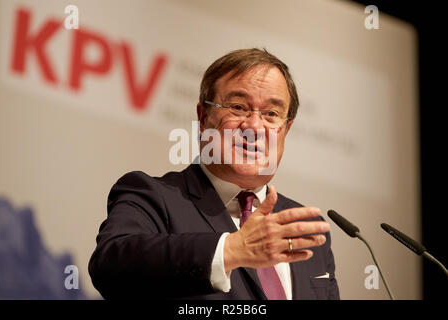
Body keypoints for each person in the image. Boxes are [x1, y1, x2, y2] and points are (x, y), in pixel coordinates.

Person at [88, 48, 340, 300]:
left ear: (286, 129)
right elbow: (110, 267)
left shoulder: (304, 230)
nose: (254, 126)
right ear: (203, 118)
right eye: (239, 107)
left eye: (271, 114)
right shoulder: (153, 195)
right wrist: (230, 250)